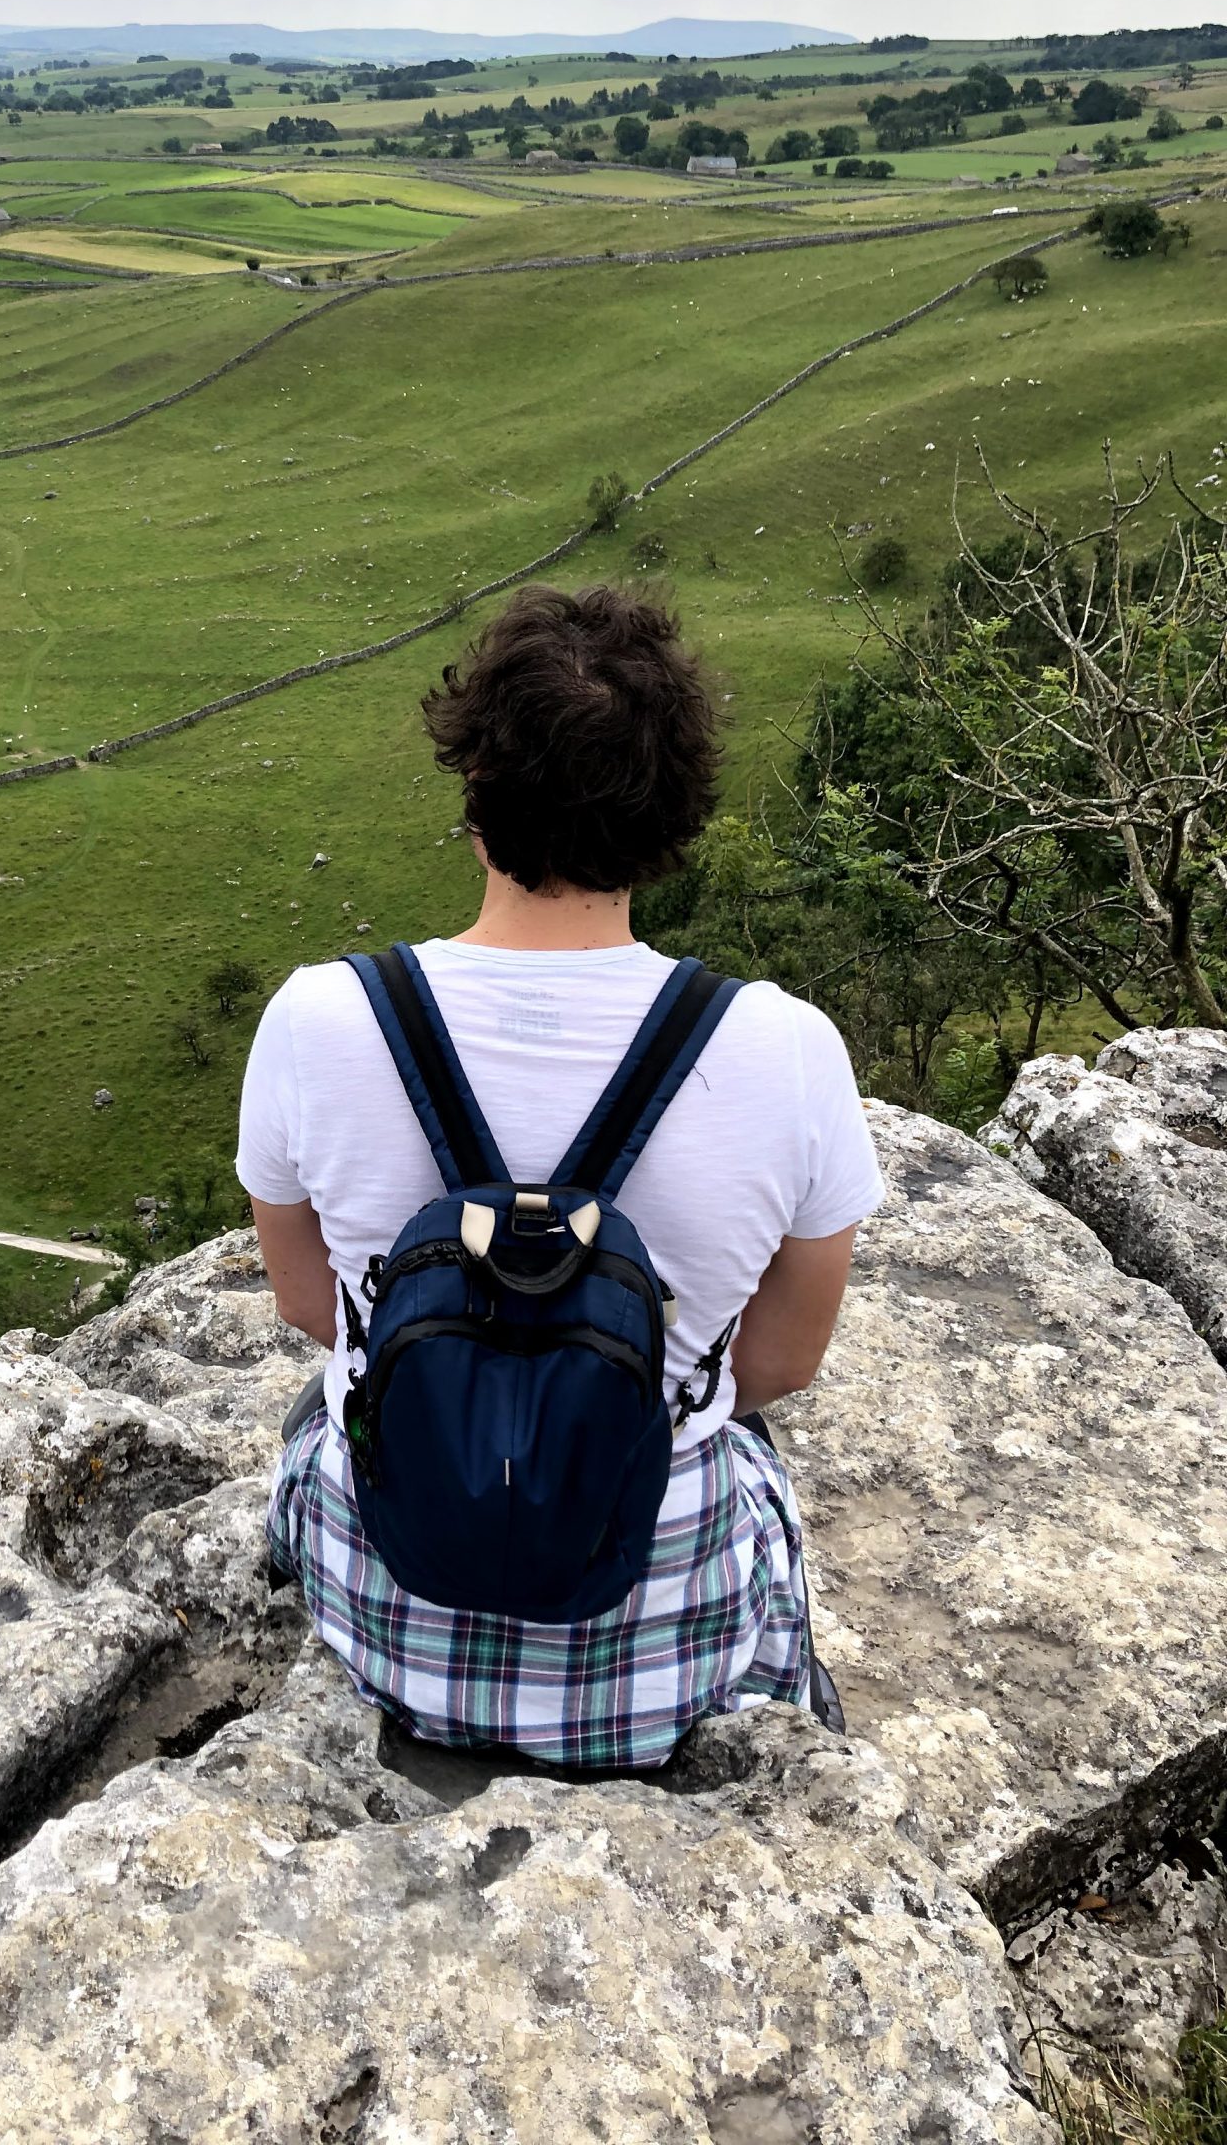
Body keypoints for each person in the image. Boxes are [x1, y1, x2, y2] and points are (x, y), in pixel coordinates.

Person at [238, 583, 884, 1770]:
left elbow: (308, 1306)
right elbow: (782, 1365)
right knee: (739, 1450)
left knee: (314, 1407)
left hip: (388, 1618)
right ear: (670, 823)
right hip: (657, 1649)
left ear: (476, 802)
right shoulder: (786, 1049)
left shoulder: (318, 1019)